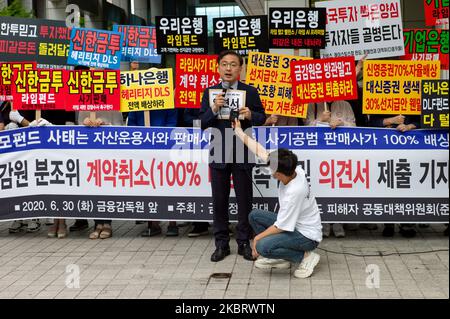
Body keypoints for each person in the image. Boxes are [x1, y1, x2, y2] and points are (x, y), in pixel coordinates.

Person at [233, 118, 322, 278]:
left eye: (272, 170)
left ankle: (306, 257)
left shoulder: (295, 192)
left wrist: (256, 239)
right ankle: (281, 256)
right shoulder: (293, 169)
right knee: (254, 216)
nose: (269, 171)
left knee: (262, 246)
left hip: (307, 236)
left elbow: (281, 226)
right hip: (293, 225)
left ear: (279, 174)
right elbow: (259, 150)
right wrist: (239, 131)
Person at [199, 50, 266, 262]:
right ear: (218, 68)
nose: (228, 68)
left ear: (240, 68)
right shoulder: (210, 92)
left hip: (243, 150)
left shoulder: (250, 91)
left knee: (245, 200)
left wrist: (250, 115)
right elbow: (202, 123)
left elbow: (262, 117)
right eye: (225, 64)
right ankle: (221, 244)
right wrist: (213, 108)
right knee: (219, 200)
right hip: (218, 150)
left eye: (233, 64)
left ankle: (244, 242)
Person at [128, 107, 179, 237]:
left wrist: (159, 136)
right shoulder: (136, 103)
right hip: (144, 148)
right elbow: (131, 124)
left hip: (165, 148)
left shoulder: (168, 102)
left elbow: (172, 123)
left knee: (168, 184)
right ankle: (153, 223)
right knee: (149, 185)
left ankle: (172, 223)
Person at [369, 114, 420, 238]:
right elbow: (369, 123)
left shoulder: (413, 98)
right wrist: (390, 121)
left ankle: (407, 224)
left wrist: (409, 126)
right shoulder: (379, 99)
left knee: (407, 186)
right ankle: (389, 224)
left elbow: (423, 121)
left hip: (409, 149)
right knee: (387, 186)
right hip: (384, 150)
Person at [79, 110, 124, 239]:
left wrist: (105, 124)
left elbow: (119, 126)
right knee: (93, 186)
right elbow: (77, 126)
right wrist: (84, 123)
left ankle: (107, 223)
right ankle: (97, 223)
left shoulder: (113, 102)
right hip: (90, 151)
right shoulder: (84, 103)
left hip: (108, 150)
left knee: (106, 185)